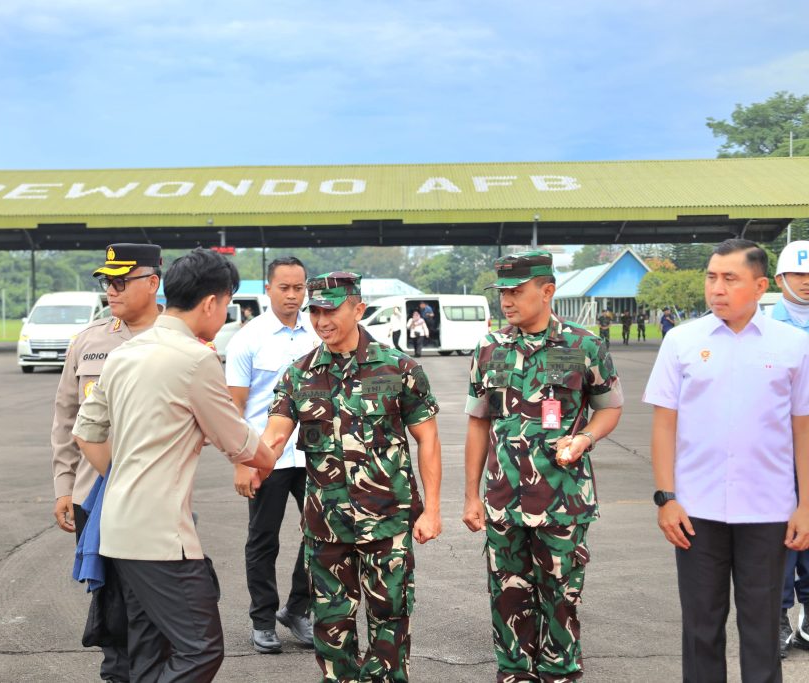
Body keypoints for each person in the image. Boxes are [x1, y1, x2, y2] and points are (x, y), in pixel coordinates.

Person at [72, 248, 281, 682]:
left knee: (148, 653)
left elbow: (86, 432)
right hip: (160, 537)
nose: (224, 314)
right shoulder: (196, 358)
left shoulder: (125, 353)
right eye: (227, 303)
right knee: (201, 649)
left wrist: (124, 476)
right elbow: (239, 441)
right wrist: (270, 454)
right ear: (211, 302)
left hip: (117, 527)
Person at [263, 271, 443, 682]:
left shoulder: (400, 368)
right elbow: (274, 435)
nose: (321, 320)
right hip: (326, 527)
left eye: (331, 311)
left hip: (388, 522)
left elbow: (428, 440)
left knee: (390, 621)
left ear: (358, 309)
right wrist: (251, 459)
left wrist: (432, 510)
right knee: (330, 627)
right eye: (314, 312)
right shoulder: (299, 374)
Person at [643, 239, 809, 682]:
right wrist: (666, 498)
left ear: (759, 286)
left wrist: (806, 505)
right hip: (695, 512)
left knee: (761, 630)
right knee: (701, 628)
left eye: (730, 279)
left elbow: (803, 430)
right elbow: (664, 426)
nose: (716, 288)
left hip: (768, 511)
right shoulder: (681, 341)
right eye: (711, 277)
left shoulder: (794, 345)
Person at [463, 250, 624, 682]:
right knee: (507, 598)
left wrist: (585, 438)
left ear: (547, 291)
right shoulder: (489, 348)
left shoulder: (584, 345)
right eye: (502, 293)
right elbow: (478, 423)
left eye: (516, 292)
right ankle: (514, 673)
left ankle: (559, 674)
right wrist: (471, 496)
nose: (507, 301)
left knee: (561, 599)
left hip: (563, 501)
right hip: (503, 502)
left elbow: (610, 408)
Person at [51, 243, 162, 682]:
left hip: (153, 496)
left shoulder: (178, 341)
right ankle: (117, 672)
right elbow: (65, 417)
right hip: (92, 493)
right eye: (107, 282)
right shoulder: (89, 341)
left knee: (153, 597)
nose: (111, 290)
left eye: (121, 281)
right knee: (110, 596)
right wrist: (63, 487)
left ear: (152, 283)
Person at [225, 256, 319, 654]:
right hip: (266, 457)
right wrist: (241, 461)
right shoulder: (248, 338)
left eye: (299, 288)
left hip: (314, 454)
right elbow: (234, 408)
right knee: (263, 539)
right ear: (268, 289)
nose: (293, 296)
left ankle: (297, 609)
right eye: (284, 288)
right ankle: (262, 620)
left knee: (322, 533)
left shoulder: (318, 332)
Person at [769, 241, 809, 657]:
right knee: (781, 534)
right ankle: (777, 616)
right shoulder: (762, 326)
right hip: (778, 450)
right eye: (799, 273)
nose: (807, 281)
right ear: (780, 279)